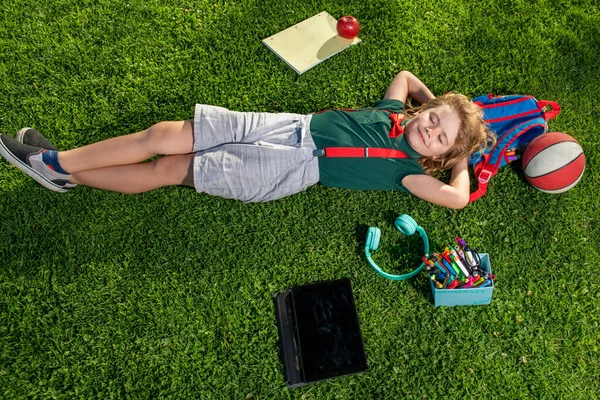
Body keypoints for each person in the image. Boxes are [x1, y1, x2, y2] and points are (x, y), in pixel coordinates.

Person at [0, 71, 494, 209]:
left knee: (166, 170)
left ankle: (60, 168)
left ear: (440, 153)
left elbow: (456, 199)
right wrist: (438, 104)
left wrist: (461, 156)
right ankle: (58, 163)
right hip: (285, 126)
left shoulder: (406, 173)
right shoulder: (393, 112)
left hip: (290, 171)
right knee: (163, 135)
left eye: (439, 138)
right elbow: (406, 78)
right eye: (433, 119)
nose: (428, 130)